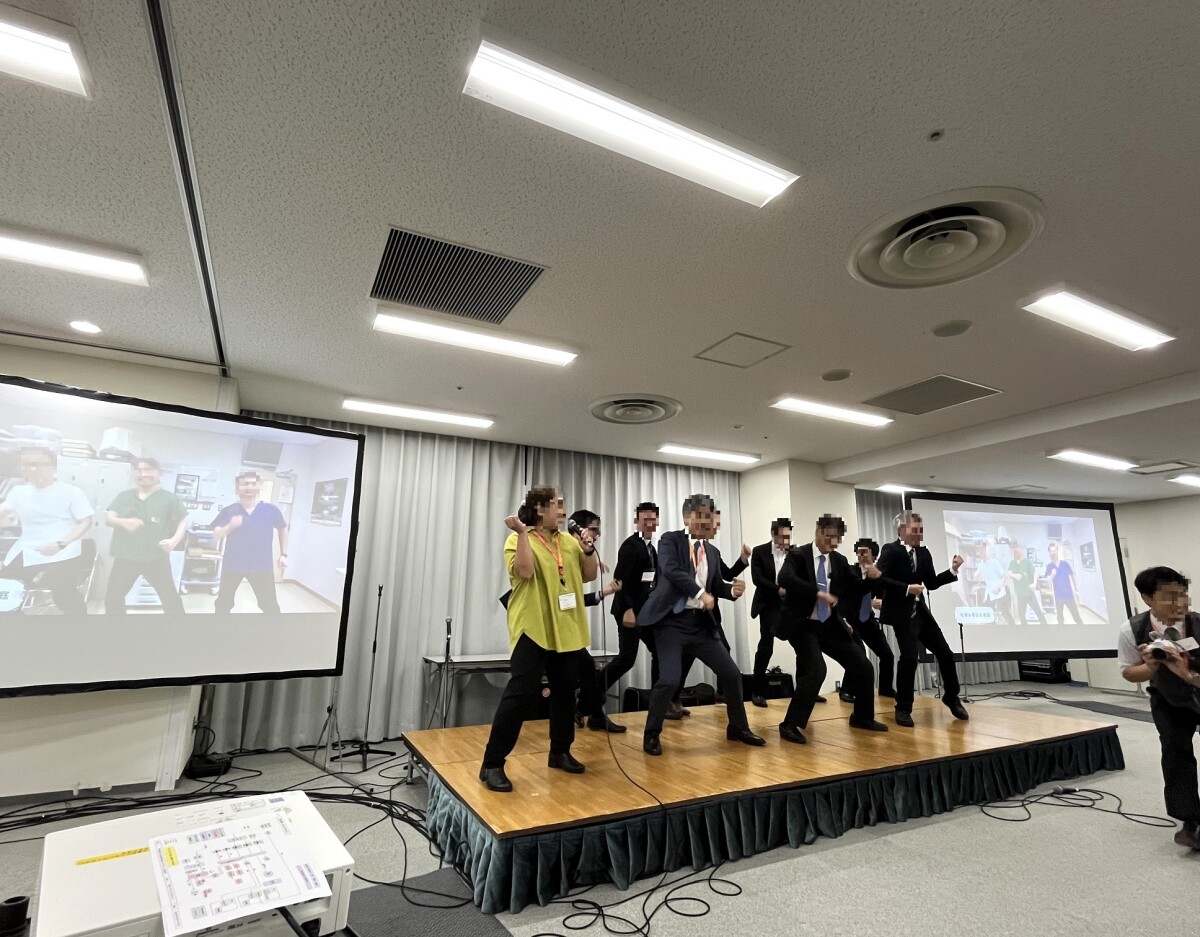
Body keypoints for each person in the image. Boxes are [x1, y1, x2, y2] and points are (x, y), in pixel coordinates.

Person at [480, 486, 598, 792]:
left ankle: (560, 751)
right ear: (539, 510)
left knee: (565, 692)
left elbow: (589, 575)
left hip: (565, 629)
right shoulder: (517, 540)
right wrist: (521, 533)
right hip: (532, 627)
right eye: (556, 506)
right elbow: (524, 572)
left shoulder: (568, 542)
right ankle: (492, 763)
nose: (562, 511)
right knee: (521, 693)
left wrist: (588, 549)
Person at [637, 494, 763, 755]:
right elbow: (672, 571)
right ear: (688, 518)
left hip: (701, 626)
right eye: (703, 515)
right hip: (671, 623)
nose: (708, 521)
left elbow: (715, 585)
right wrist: (699, 593)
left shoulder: (712, 552)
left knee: (731, 674)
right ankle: (651, 734)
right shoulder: (670, 541)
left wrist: (731, 591)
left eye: (710, 516)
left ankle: (737, 727)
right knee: (669, 679)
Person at [775, 515, 888, 743]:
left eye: (836, 538)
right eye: (829, 537)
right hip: (802, 624)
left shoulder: (839, 561)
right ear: (818, 531)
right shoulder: (798, 555)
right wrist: (817, 593)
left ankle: (862, 717)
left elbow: (855, 589)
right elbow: (784, 578)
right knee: (817, 670)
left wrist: (871, 579)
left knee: (864, 667)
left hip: (828, 624)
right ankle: (790, 724)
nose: (832, 543)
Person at [1117, 566, 1200, 850]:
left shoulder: (1198, 623)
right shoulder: (1131, 629)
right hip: (1168, 699)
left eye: (1183, 595)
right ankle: (1190, 821)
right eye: (1170, 596)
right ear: (1148, 598)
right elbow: (1129, 672)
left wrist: (1188, 673)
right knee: (1176, 754)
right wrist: (1150, 666)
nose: (1180, 603)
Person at [876, 510, 968, 726]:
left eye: (921, 529)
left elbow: (932, 583)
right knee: (909, 658)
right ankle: (903, 707)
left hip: (921, 613)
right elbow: (880, 579)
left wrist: (953, 570)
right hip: (902, 614)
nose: (920, 533)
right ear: (901, 530)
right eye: (915, 529)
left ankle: (951, 697)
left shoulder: (924, 553)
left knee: (945, 653)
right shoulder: (891, 550)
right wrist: (907, 588)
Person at [0, 446, 93, 615]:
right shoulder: (18, 492)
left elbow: (85, 521)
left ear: (53, 467)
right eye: (26, 464)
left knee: (64, 595)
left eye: (37, 464)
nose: (32, 469)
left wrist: (61, 544)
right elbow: (6, 515)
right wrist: (5, 521)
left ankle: (80, 625)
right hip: (28, 549)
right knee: (6, 586)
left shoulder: (71, 492)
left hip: (63, 551)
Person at [597, 502, 660, 711]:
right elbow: (619, 580)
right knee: (627, 658)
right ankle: (591, 692)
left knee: (659, 650)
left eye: (652, 519)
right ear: (637, 521)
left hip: (644, 611)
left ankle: (659, 701)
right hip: (629, 611)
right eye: (645, 519)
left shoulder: (651, 549)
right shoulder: (631, 546)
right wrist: (628, 610)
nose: (649, 523)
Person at [104, 457, 187, 615]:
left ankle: (180, 628)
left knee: (171, 600)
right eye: (139, 470)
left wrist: (174, 540)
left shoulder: (169, 498)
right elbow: (109, 519)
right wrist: (123, 522)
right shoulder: (124, 496)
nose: (143, 474)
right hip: (126, 557)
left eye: (148, 470)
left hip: (155, 558)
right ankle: (116, 628)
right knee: (113, 598)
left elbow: (183, 520)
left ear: (158, 473)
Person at [566, 509, 625, 733]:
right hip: (549, 628)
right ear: (577, 529)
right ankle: (584, 713)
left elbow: (573, 598)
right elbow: (566, 599)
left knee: (587, 669)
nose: (597, 535)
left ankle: (592, 714)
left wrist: (604, 592)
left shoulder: (580, 554)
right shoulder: (562, 551)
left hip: (567, 626)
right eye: (593, 530)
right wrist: (602, 593)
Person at [212, 471, 288, 614]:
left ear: (259, 486)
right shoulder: (229, 511)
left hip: (261, 566)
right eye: (244, 484)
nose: (249, 487)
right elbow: (216, 534)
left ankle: (275, 628)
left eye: (253, 484)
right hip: (233, 565)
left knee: (270, 606)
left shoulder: (271, 510)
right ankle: (220, 627)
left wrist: (283, 554)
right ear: (237, 487)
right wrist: (230, 526)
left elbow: (283, 528)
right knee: (223, 605)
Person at [843, 538, 897, 699]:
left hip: (868, 619)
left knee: (887, 655)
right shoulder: (849, 571)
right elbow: (848, 593)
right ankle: (847, 690)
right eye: (858, 551)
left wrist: (882, 602)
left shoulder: (878, 574)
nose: (861, 555)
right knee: (858, 654)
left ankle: (885, 689)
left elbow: (884, 595)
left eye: (865, 552)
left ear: (874, 556)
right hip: (851, 620)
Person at [749, 518, 791, 707]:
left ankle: (807, 688)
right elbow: (757, 579)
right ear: (773, 534)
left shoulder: (795, 553)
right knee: (767, 645)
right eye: (782, 536)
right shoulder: (760, 551)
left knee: (803, 644)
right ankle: (757, 690)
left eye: (788, 536)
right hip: (769, 604)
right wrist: (777, 589)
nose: (785, 540)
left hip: (789, 604)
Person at [1008, 543, 1046, 625]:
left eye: (1018, 551)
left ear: (1022, 551)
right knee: (1022, 615)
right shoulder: (1012, 563)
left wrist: (1034, 583)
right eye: (1015, 551)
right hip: (1020, 594)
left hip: (1029, 593)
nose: (1017, 553)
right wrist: (1014, 575)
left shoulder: (1027, 562)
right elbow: (1011, 574)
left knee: (1039, 613)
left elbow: (1035, 572)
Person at [978, 542, 1015, 625]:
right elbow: (985, 579)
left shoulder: (994, 562)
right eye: (979, 551)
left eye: (983, 551)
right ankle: (993, 628)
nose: (981, 553)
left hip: (999, 592)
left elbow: (1004, 576)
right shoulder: (980, 564)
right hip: (990, 592)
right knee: (988, 611)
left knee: (1004, 611)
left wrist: (999, 588)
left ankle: (1013, 627)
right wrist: (979, 587)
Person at [1045, 543, 1082, 624]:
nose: (1053, 552)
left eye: (1055, 550)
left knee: (1076, 617)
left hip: (1069, 595)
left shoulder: (1065, 564)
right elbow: (1048, 582)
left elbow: (1072, 575)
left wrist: (1076, 589)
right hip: (1058, 597)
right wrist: (1052, 575)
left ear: (1057, 551)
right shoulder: (1049, 566)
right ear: (1049, 553)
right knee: (1060, 619)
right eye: (1051, 551)